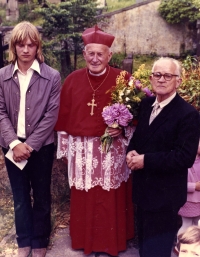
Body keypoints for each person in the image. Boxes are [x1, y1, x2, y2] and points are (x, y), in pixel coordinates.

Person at [55, 25, 134, 256]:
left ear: (110, 55)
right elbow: (63, 115)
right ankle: (84, 241)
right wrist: (65, 148)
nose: (95, 58)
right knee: (85, 195)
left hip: (112, 150)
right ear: (84, 54)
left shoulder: (123, 78)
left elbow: (134, 115)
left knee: (111, 195)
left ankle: (111, 243)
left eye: (101, 54)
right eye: (91, 53)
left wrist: (123, 127)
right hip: (83, 152)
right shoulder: (72, 80)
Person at [126, 57, 200, 257]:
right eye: (157, 75)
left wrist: (145, 160)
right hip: (143, 191)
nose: (161, 79)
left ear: (178, 81)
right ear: (151, 79)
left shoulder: (188, 114)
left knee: (156, 251)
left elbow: (184, 157)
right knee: (144, 247)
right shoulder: (146, 103)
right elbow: (139, 138)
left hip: (165, 196)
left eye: (168, 75)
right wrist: (131, 151)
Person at [0, 21, 61, 257]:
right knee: (20, 197)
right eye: (20, 45)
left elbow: (51, 115)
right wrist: (15, 143)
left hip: (41, 147)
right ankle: (23, 240)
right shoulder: (3, 76)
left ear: (38, 47)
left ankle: (39, 240)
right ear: (13, 47)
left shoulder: (51, 76)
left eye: (31, 45)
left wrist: (31, 145)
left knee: (42, 195)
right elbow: (1, 112)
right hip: (12, 146)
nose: (26, 50)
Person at [174, 142, 200, 254]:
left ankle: (193, 247)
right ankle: (180, 246)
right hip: (188, 201)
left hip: (198, 201)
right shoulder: (185, 163)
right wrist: (195, 186)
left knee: (196, 225)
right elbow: (179, 184)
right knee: (187, 224)